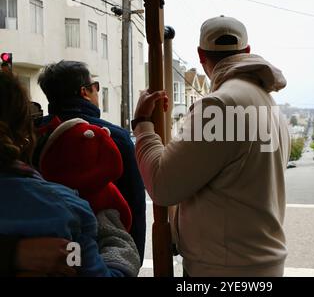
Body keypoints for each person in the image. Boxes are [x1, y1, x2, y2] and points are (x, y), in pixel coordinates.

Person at [133, 15, 290, 276]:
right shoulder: (268, 104)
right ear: (247, 51)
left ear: (201, 56)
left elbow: (162, 184)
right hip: (260, 264)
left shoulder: (219, 106)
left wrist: (142, 125)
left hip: (222, 268)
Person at [0, 72, 140, 276]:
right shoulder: (67, 210)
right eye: (96, 87)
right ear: (24, 134)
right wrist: (118, 242)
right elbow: (89, 270)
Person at [36, 61, 146, 262]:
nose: (97, 91)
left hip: (48, 252)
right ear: (84, 92)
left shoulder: (35, 134)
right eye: (95, 86)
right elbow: (135, 205)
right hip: (104, 252)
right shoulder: (114, 138)